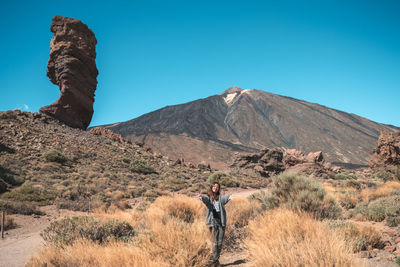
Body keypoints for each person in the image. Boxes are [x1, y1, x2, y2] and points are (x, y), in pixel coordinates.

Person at [198, 182, 232, 266]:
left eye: (217, 187)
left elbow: (225, 198)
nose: (215, 188)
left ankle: (216, 260)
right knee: (214, 242)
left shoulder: (220, 198)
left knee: (220, 243)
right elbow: (205, 198)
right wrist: (201, 197)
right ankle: (214, 260)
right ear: (211, 187)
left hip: (221, 223)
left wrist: (230, 197)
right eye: (214, 186)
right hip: (212, 222)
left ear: (218, 189)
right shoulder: (209, 198)